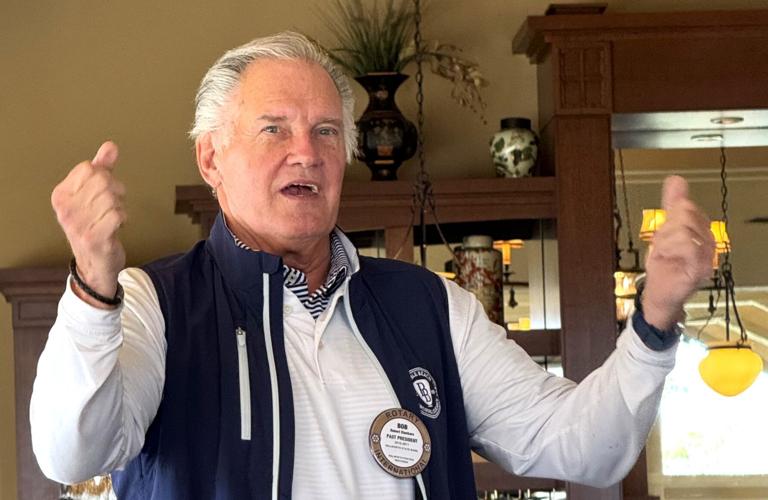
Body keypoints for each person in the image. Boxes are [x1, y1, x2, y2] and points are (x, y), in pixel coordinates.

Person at [31, 31, 715, 500]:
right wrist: (93, 286)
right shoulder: (155, 302)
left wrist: (655, 319)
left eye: (327, 131)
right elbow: (71, 453)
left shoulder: (427, 304)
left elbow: (580, 447)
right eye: (275, 128)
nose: (307, 151)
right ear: (211, 159)